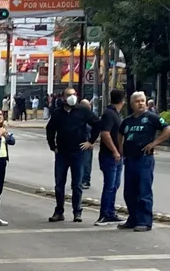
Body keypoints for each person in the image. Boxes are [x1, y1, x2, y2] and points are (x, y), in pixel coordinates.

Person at [119, 90, 170, 231]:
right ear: (132, 104)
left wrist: (154, 143)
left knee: (144, 191)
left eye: (142, 101)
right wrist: (120, 149)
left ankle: (145, 222)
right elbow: (120, 134)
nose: (141, 104)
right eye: (137, 101)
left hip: (144, 159)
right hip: (129, 159)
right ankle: (133, 219)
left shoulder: (152, 117)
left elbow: (168, 130)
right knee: (129, 192)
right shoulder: (127, 120)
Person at [45, 87, 99, 222]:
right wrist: (53, 146)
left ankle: (77, 211)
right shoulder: (58, 112)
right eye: (69, 95)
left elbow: (97, 124)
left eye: (74, 94)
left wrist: (90, 141)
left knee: (77, 184)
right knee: (59, 183)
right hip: (62, 152)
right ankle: (59, 211)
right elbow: (50, 129)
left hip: (78, 151)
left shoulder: (82, 110)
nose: (72, 97)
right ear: (63, 97)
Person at [96, 88, 126, 225]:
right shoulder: (109, 114)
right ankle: (104, 214)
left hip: (117, 156)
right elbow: (105, 134)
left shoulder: (115, 114)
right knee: (109, 185)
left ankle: (110, 212)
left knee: (115, 185)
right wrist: (114, 151)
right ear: (123, 101)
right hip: (109, 156)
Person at [79, 97, 95, 188]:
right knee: (85, 163)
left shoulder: (88, 117)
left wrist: (91, 141)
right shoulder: (85, 116)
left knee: (86, 163)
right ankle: (83, 180)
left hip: (86, 142)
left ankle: (85, 180)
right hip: (85, 142)